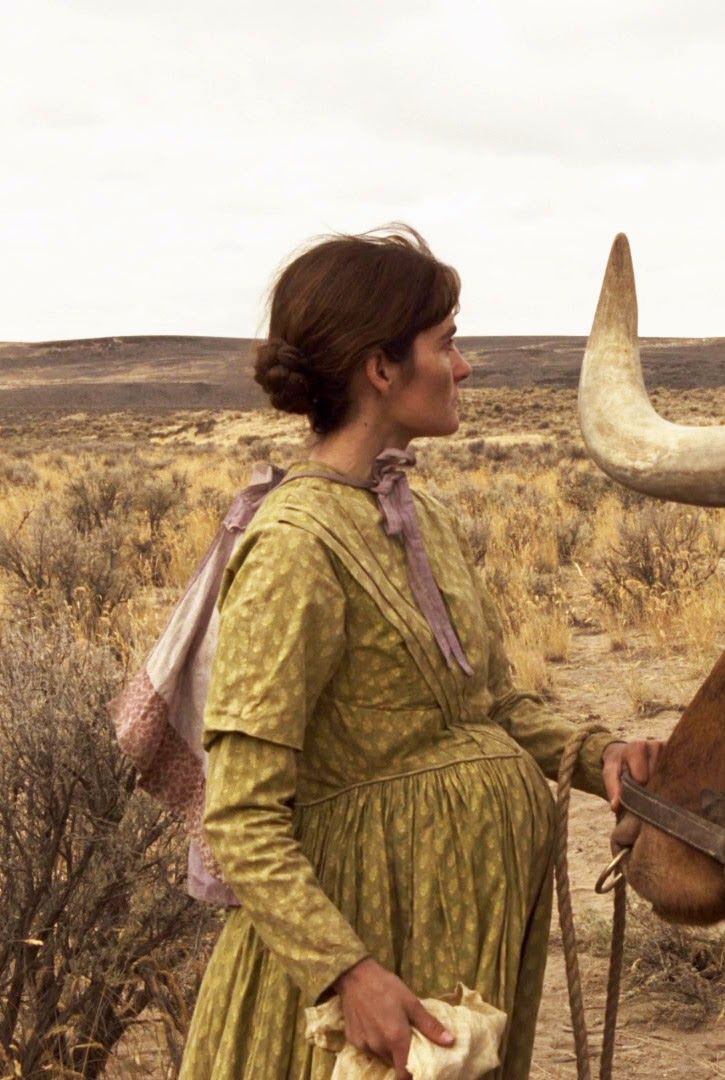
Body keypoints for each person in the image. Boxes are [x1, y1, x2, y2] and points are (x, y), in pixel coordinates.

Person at [178, 223, 663, 1080]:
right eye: (446, 343)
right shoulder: (295, 544)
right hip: (363, 958)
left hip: (453, 945)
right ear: (380, 368)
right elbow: (241, 814)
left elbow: (493, 707)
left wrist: (599, 759)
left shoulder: (421, 519)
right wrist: (343, 972)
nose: (465, 366)